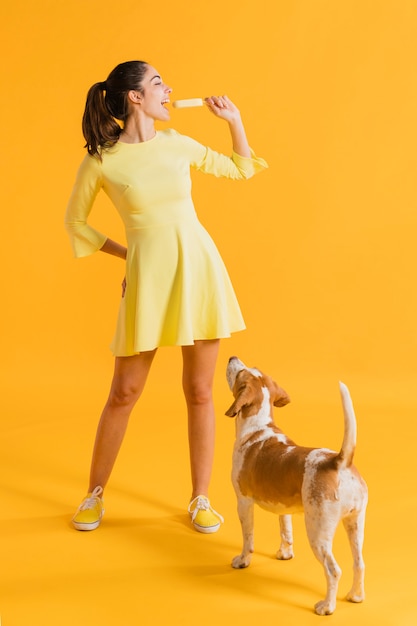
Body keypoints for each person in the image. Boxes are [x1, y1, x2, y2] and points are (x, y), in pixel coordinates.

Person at [65, 60, 267, 534]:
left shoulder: (179, 144)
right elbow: (75, 223)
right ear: (135, 97)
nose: (169, 89)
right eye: (158, 83)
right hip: (149, 283)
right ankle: (93, 494)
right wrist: (128, 258)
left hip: (199, 271)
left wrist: (234, 121)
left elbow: (240, 169)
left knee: (200, 392)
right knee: (123, 393)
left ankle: (200, 498)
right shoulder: (102, 161)